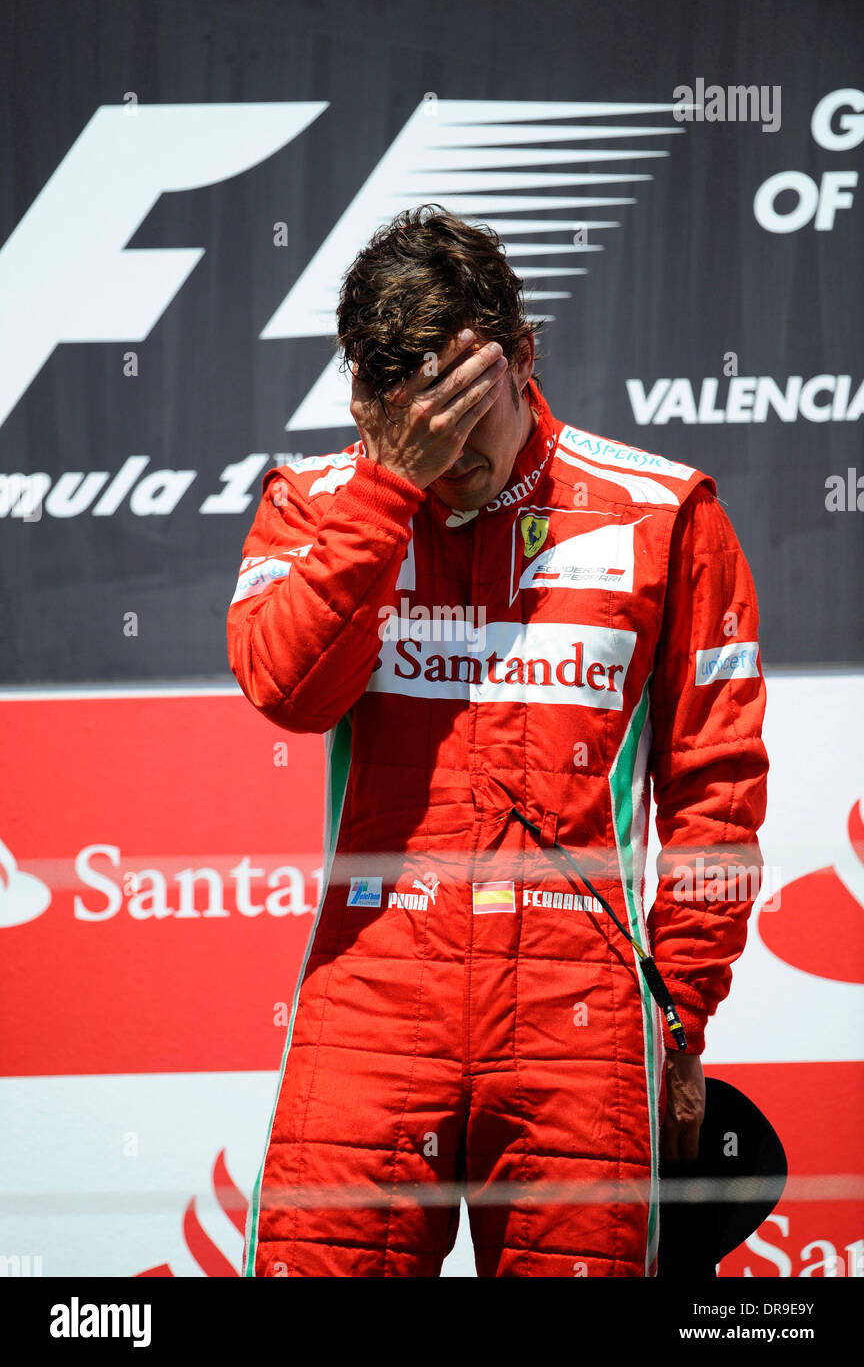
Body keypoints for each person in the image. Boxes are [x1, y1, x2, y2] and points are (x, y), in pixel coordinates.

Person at [226, 204, 769, 1278]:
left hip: (582, 1014)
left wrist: (683, 1013)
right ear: (368, 401)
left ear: (525, 357)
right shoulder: (320, 504)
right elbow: (285, 688)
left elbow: (716, 791)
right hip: (371, 996)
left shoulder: (664, 514)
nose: (447, 454)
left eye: (467, 411)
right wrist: (389, 489)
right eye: (411, 417)